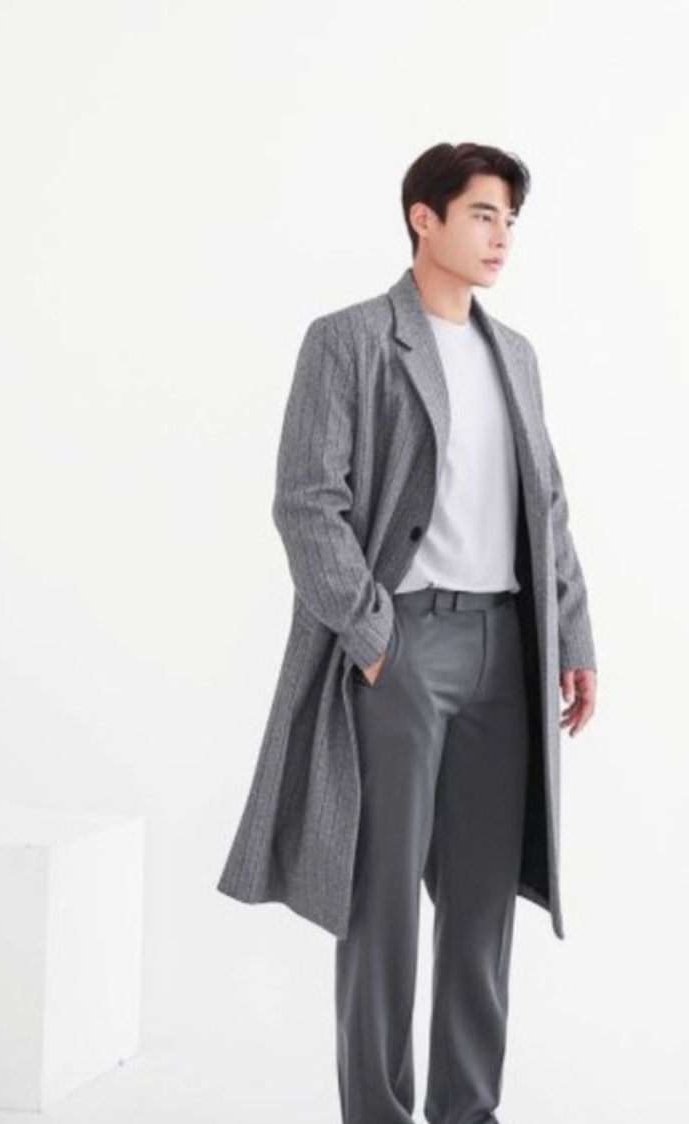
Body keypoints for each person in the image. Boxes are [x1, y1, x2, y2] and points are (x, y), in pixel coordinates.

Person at [217, 141, 597, 1124]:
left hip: (507, 652)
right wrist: (374, 635)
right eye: (482, 214)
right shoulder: (348, 340)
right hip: (403, 647)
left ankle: (468, 1112)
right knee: (379, 903)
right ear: (423, 219)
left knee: (481, 906)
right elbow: (307, 502)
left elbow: (548, 508)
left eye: (510, 219)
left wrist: (573, 636)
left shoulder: (517, 356)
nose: (502, 236)